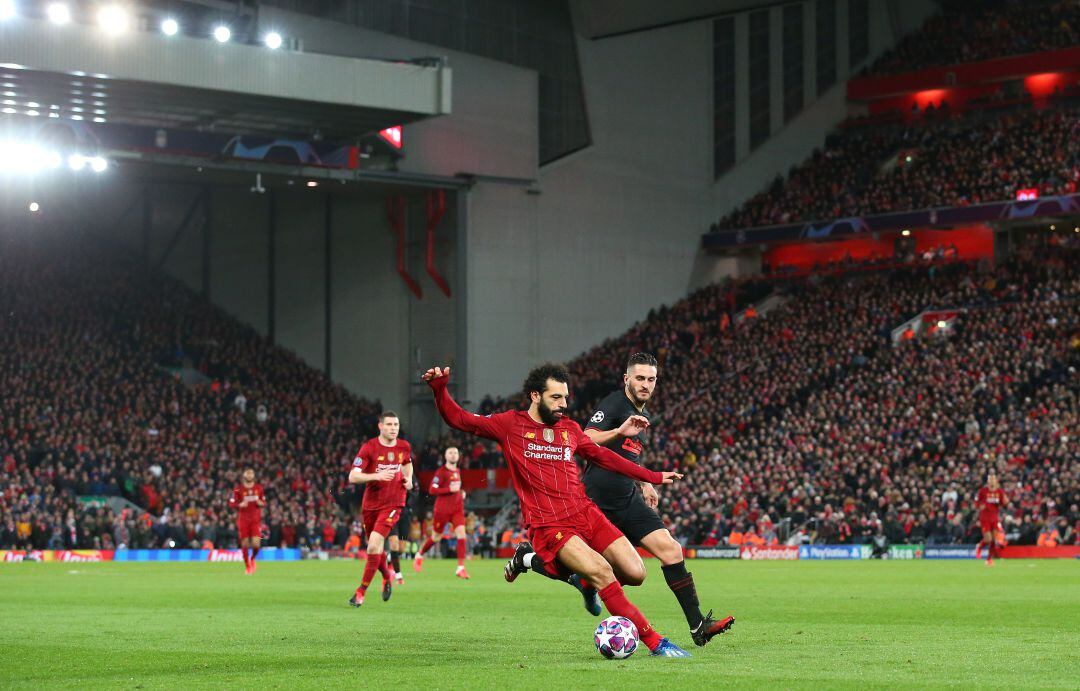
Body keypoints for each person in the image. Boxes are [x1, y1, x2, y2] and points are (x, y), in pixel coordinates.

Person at [424, 362, 692, 657]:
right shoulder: (509, 425)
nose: (564, 405)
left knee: (636, 572)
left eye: (565, 397)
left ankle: (536, 563)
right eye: (556, 398)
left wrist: (651, 476)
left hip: (585, 513)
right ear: (535, 396)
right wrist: (440, 389)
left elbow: (605, 458)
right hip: (549, 523)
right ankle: (656, 643)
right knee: (604, 572)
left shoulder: (570, 429)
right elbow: (459, 418)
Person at [514, 353, 734, 647]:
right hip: (595, 500)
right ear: (626, 379)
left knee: (670, 550)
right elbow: (586, 439)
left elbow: (627, 454)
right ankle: (528, 559)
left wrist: (644, 482)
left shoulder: (642, 412)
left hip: (627, 497)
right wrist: (618, 430)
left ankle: (698, 626)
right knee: (570, 566)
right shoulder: (615, 403)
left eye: (651, 379)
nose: (645, 384)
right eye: (640, 378)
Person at [347, 411, 413, 607]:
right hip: (371, 505)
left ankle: (360, 593)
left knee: (374, 546)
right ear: (380, 426)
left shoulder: (404, 446)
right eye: (390, 425)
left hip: (393, 504)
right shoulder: (369, 448)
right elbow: (353, 476)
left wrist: (408, 479)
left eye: (396, 425)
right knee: (374, 550)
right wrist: (375, 475)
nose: (393, 428)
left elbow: (408, 465)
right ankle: (387, 575)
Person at [414, 446, 470, 579]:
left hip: (457, 510)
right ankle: (420, 554)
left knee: (462, 535)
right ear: (446, 456)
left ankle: (460, 568)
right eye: (450, 453)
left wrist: (461, 493)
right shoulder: (441, 472)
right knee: (436, 537)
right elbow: (432, 490)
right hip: (442, 510)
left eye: (455, 453)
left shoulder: (457, 470)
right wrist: (449, 489)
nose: (453, 455)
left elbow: (456, 489)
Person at [228, 468, 266, 575]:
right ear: (244, 475)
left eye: (251, 474)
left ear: (253, 475)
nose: (249, 475)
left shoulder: (259, 488)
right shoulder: (238, 489)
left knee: (256, 544)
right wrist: (239, 505)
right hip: (243, 520)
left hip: (255, 520)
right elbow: (231, 503)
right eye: (247, 474)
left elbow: (264, 502)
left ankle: (252, 558)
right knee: (244, 544)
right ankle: (247, 566)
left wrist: (261, 503)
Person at [974, 472, 1008, 566]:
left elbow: (1004, 503)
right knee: (988, 539)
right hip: (985, 518)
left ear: (996, 481)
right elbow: (976, 502)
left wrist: (1006, 502)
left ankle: (989, 559)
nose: (992, 481)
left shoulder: (999, 492)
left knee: (993, 540)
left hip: (995, 518)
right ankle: (979, 546)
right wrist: (979, 506)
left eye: (993, 479)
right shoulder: (982, 491)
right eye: (990, 480)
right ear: (988, 481)